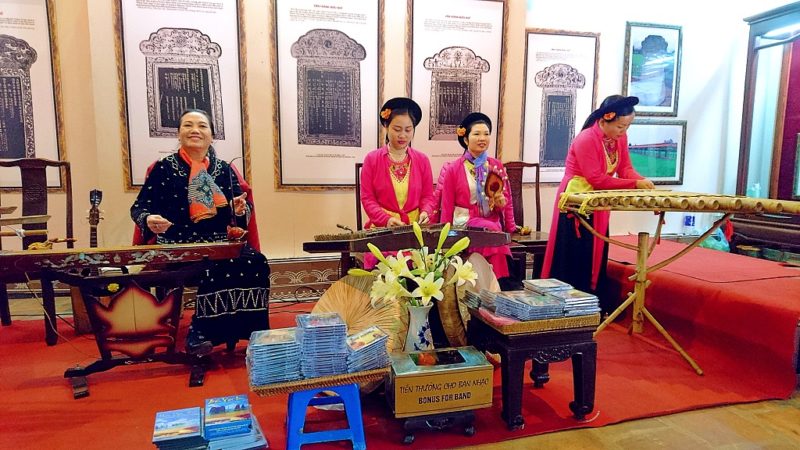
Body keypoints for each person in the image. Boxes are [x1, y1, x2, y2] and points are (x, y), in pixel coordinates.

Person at [130, 108, 271, 355]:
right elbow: (139, 207)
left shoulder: (224, 169)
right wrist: (149, 218)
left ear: (211, 137)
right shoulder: (164, 168)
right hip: (176, 245)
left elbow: (240, 212)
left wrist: (239, 208)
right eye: (188, 125)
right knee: (213, 265)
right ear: (179, 134)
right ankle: (201, 331)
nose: (195, 130)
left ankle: (249, 330)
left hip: (218, 242)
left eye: (202, 126)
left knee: (256, 261)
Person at [541, 95, 655, 311]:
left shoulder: (619, 139)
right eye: (621, 126)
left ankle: (591, 303)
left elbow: (626, 169)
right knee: (577, 251)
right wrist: (634, 184)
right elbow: (595, 178)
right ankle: (568, 306)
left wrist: (642, 181)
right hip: (576, 201)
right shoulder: (586, 138)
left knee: (597, 249)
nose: (623, 131)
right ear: (606, 119)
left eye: (627, 126)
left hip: (598, 199)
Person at [438, 112, 516, 282]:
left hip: (491, 221)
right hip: (464, 221)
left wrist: (502, 206)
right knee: (492, 235)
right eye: (477, 134)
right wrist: (445, 242)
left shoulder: (496, 165)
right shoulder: (453, 168)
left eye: (486, 134)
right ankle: (498, 283)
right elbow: (447, 206)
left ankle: (491, 285)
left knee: (493, 233)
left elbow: (506, 203)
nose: (483, 138)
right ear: (465, 139)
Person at [360, 97, 434, 228]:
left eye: (408, 130)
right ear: (386, 127)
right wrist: (385, 219)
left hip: (414, 228)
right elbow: (367, 198)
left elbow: (427, 196)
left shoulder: (422, 160)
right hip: (382, 228)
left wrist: (426, 212)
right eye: (397, 129)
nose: (403, 135)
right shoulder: (372, 159)